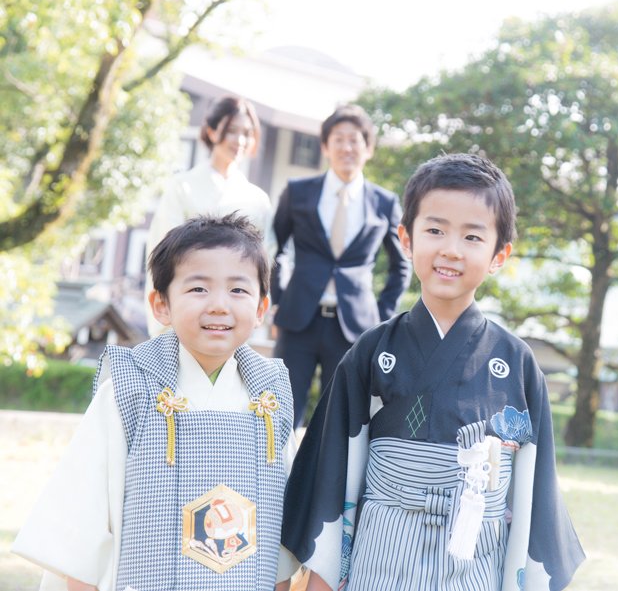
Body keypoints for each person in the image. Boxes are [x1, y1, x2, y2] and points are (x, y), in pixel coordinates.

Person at [281, 154, 585, 591]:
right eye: (435, 230)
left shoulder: (517, 365)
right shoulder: (371, 352)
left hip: (473, 563)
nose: (450, 249)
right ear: (406, 238)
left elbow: (533, 495)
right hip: (380, 558)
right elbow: (331, 472)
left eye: (472, 237)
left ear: (500, 255)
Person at [13, 214, 300, 591]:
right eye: (198, 289)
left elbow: (278, 521)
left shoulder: (271, 392)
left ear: (262, 308)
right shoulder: (131, 385)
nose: (218, 305)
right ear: (160, 304)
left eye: (238, 290)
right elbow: (83, 513)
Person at [271, 104, 411, 427]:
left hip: (353, 329)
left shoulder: (384, 202)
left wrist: (381, 318)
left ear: (368, 148)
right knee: (280, 414)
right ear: (325, 146)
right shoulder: (298, 192)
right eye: (339, 139)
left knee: (341, 419)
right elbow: (274, 251)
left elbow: (401, 265)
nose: (347, 147)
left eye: (355, 140)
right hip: (297, 322)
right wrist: (276, 302)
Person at [145, 95, 276, 336]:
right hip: (188, 304)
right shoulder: (182, 186)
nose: (240, 140)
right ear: (212, 132)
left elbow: (264, 260)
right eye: (232, 131)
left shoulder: (257, 199)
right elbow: (161, 251)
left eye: (247, 133)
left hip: (231, 313)